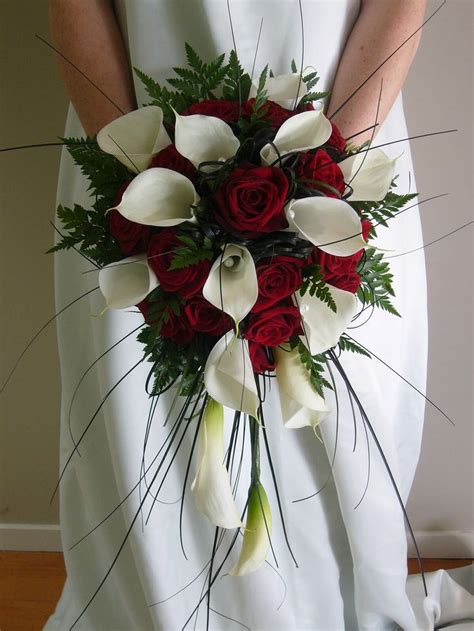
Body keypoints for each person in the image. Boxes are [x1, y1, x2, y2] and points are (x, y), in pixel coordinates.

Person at [44, 1, 473, 629]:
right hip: (137, 139)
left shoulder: (336, 166)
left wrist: (327, 177)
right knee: (141, 419)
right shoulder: (134, 171)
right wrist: (135, 173)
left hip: (345, 128)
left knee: (341, 423)